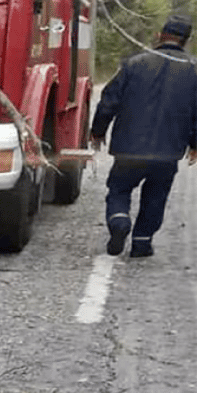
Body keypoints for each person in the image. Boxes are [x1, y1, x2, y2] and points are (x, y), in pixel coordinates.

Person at [89, 13, 197, 258]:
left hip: (128, 149)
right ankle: (141, 243)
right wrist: (195, 144)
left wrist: (97, 132)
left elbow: (108, 101)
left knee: (119, 189)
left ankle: (119, 222)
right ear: (186, 41)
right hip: (167, 152)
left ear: (159, 36)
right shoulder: (194, 71)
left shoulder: (134, 64)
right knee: (156, 197)